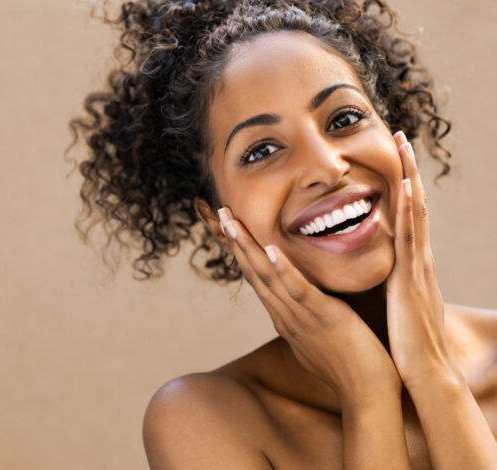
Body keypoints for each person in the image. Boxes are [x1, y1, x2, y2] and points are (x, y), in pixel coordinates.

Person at [70, 0, 497, 468]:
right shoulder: (207, 420)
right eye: (261, 151)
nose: (324, 167)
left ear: (396, 138)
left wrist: (434, 374)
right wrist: (368, 394)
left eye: (343, 119)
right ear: (218, 219)